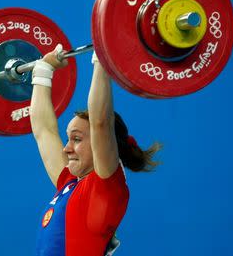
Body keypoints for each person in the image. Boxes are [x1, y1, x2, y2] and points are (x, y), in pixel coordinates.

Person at [30, 44, 161, 256]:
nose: (66, 149)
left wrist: (102, 57)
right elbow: (43, 130)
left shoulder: (104, 187)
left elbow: (101, 121)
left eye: (77, 139)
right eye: (68, 139)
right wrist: (43, 70)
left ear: (103, 143)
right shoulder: (69, 184)